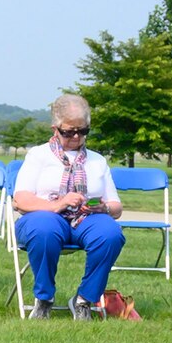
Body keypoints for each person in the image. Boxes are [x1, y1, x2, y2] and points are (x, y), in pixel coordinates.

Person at [12, 95, 124, 320]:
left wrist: (103, 208)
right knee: (43, 228)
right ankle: (44, 299)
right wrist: (58, 204)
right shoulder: (38, 155)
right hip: (44, 216)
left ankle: (84, 300)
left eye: (83, 131)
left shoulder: (97, 161)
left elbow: (116, 206)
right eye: (69, 131)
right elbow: (21, 200)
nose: (76, 137)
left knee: (110, 233)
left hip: (86, 219)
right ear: (55, 129)